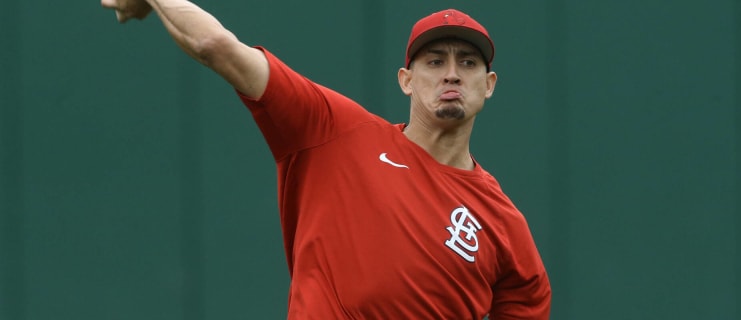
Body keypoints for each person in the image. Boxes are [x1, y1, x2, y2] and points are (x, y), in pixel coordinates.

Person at [101, 0, 551, 318]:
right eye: (434, 61)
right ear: (406, 80)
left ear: (488, 84)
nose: (452, 73)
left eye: (468, 63)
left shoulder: (502, 224)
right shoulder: (334, 132)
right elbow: (217, 47)